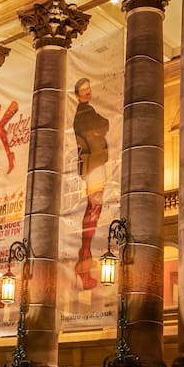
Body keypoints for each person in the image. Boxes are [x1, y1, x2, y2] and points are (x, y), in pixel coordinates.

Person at [71, 78, 109, 288]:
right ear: (77, 94)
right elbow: (103, 124)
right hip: (93, 162)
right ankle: (84, 254)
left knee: (94, 205)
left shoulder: (86, 111)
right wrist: (98, 130)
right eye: (83, 90)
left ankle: (84, 255)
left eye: (88, 89)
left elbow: (105, 125)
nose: (87, 92)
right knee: (95, 204)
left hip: (94, 161)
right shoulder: (84, 112)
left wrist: (99, 130)